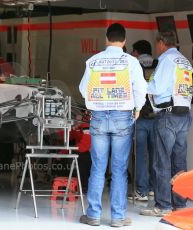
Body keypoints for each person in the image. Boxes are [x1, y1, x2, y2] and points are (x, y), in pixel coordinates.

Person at [79, 23, 147, 227]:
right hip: (122, 117)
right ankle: (118, 218)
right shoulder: (131, 62)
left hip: (99, 116)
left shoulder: (93, 61)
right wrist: (137, 108)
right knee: (119, 169)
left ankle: (93, 215)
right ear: (124, 41)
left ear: (106, 39)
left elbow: (83, 89)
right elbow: (140, 88)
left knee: (98, 168)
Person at [140, 31, 192, 217]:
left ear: (162, 43)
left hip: (167, 115)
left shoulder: (166, 59)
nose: (157, 47)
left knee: (162, 161)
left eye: (157, 43)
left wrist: (144, 85)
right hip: (184, 114)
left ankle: (163, 205)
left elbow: (158, 87)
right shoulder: (184, 61)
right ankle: (179, 202)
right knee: (179, 162)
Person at [128, 40, 157, 201]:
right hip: (156, 115)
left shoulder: (133, 64)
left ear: (137, 52)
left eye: (133, 51)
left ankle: (141, 191)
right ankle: (153, 188)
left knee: (140, 155)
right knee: (155, 154)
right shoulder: (158, 63)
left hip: (139, 115)